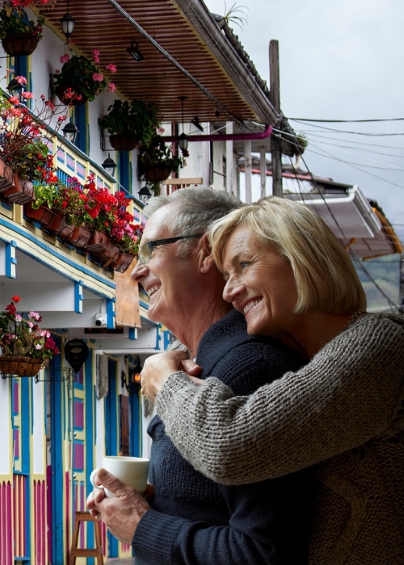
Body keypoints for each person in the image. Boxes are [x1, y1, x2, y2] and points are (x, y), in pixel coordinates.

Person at [141, 197, 404, 564]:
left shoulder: (381, 348)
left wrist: (165, 381)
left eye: (243, 265)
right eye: (227, 275)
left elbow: (229, 446)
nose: (230, 291)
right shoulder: (313, 363)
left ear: (301, 259)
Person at [84, 187, 310, 564]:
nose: (137, 270)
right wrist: (145, 506)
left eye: (151, 250)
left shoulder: (250, 368)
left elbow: (263, 553)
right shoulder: (210, 363)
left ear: (206, 252)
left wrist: (142, 526)